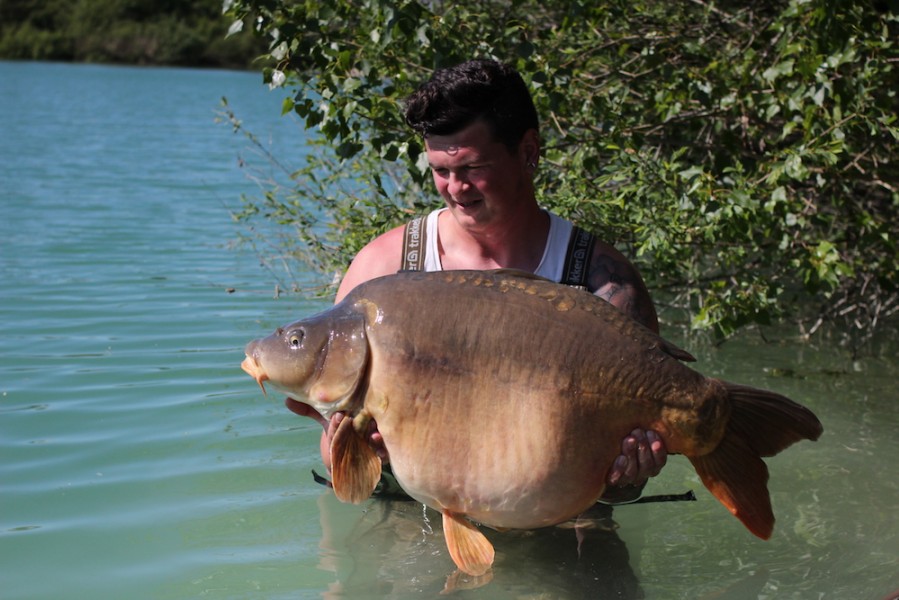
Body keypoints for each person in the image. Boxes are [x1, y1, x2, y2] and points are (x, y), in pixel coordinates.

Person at [290, 58, 667, 504]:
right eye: (440, 170)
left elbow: (627, 489)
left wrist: (631, 473)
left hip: (565, 529)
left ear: (529, 150)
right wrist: (357, 447)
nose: (455, 188)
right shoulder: (382, 269)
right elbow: (340, 473)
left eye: (472, 168)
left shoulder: (600, 281)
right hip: (415, 524)